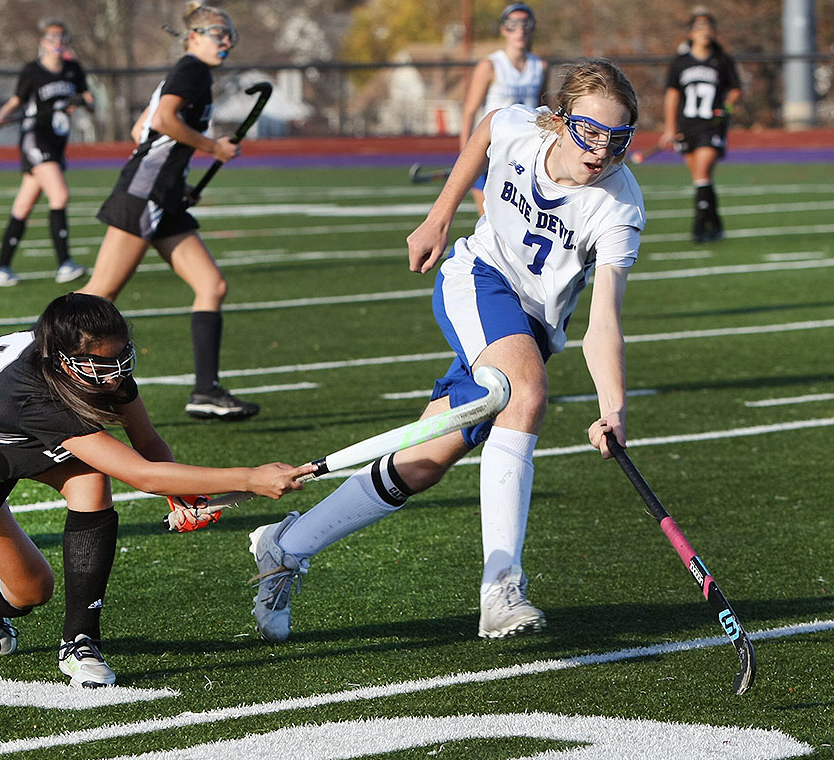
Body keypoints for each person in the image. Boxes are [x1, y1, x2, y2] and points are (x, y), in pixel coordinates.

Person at [246, 58, 645, 644]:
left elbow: (604, 320)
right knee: (523, 393)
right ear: (560, 123)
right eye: (589, 132)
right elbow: (485, 130)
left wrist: (614, 407)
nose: (601, 151)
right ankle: (500, 588)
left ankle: (285, 546)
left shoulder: (620, 206)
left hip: (532, 326)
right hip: (478, 279)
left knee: (423, 460)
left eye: (618, 139)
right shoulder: (520, 128)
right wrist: (438, 217)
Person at [0, 293, 313, 687]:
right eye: (104, 365)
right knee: (32, 590)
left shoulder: (91, 358)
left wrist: (183, 495)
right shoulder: (34, 393)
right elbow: (143, 475)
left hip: (8, 430)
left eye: (123, 358)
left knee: (90, 480)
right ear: (64, 363)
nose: (117, 375)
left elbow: (148, 442)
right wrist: (248, 478)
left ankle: (79, 642)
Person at [81, 2, 257, 422]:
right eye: (218, 32)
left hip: (164, 196)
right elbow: (161, 119)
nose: (227, 40)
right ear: (194, 37)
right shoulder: (191, 69)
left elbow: (138, 129)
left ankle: (205, 392)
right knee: (98, 296)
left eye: (229, 33)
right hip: (145, 194)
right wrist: (214, 147)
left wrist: (177, 185)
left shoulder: (190, 74)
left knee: (211, 285)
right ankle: (31, 365)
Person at [0, 18, 95, 288]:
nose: (57, 43)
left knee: (23, 206)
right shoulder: (32, 71)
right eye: (51, 38)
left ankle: (1, 268)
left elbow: (90, 100)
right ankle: (64, 263)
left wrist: (80, 101)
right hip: (35, 139)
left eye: (61, 37)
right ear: (42, 43)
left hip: (57, 143)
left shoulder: (73, 69)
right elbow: (16, 100)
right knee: (60, 194)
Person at [658, 8, 741, 243]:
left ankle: (698, 227)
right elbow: (672, 96)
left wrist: (727, 106)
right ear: (691, 33)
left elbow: (735, 90)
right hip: (688, 126)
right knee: (700, 177)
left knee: (703, 170)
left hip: (712, 125)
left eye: (709, 28)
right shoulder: (680, 63)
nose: (705, 33)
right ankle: (714, 223)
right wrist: (669, 128)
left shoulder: (722, 61)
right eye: (700, 28)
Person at [459, 2, 547, 216]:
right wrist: (465, 156)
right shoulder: (490, 66)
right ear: (503, 30)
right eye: (513, 24)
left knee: (521, 220)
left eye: (526, 24)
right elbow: (470, 112)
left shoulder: (541, 67)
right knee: (489, 220)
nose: (520, 30)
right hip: (491, 148)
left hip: (525, 152)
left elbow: (545, 109)